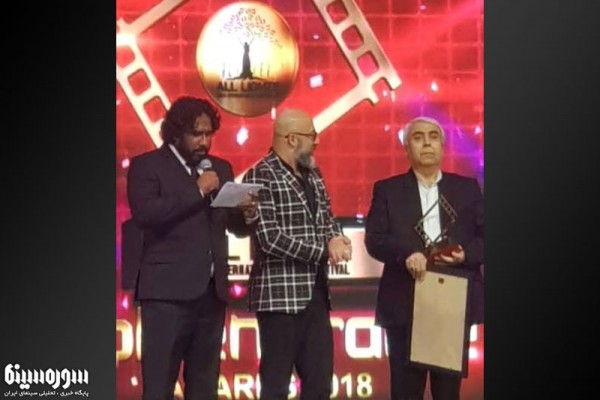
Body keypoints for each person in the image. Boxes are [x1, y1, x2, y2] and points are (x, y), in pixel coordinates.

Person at [126, 96, 258, 400]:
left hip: (211, 294)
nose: (204, 141)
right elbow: (146, 214)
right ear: (175, 133)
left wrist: (248, 213)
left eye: (209, 134)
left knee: (204, 385)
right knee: (159, 385)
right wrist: (197, 190)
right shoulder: (147, 166)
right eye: (196, 134)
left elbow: (232, 224)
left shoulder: (220, 168)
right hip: (167, 295)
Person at [364, 116, 484, 400]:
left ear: (442, 146)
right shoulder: (388, 190)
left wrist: (466, 253)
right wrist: (407, 254)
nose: (427, 143)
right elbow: (375, 239)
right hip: (404, 301)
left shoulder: (467, 189)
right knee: (406, 392)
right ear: (406, 148)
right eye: (418, 137)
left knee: (448, 393)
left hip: (452, 302)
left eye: (433, 136)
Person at [242, 109, 352, 399]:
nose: (317, 142)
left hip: (316, 295)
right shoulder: (260, 174)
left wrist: (336, 238)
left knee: (320, 383)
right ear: (291, 139)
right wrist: (323, 251)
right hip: (279, 297)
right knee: (276, 384)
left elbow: (327, 216)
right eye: (311, 135)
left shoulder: (313, 172)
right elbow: (269, 238)